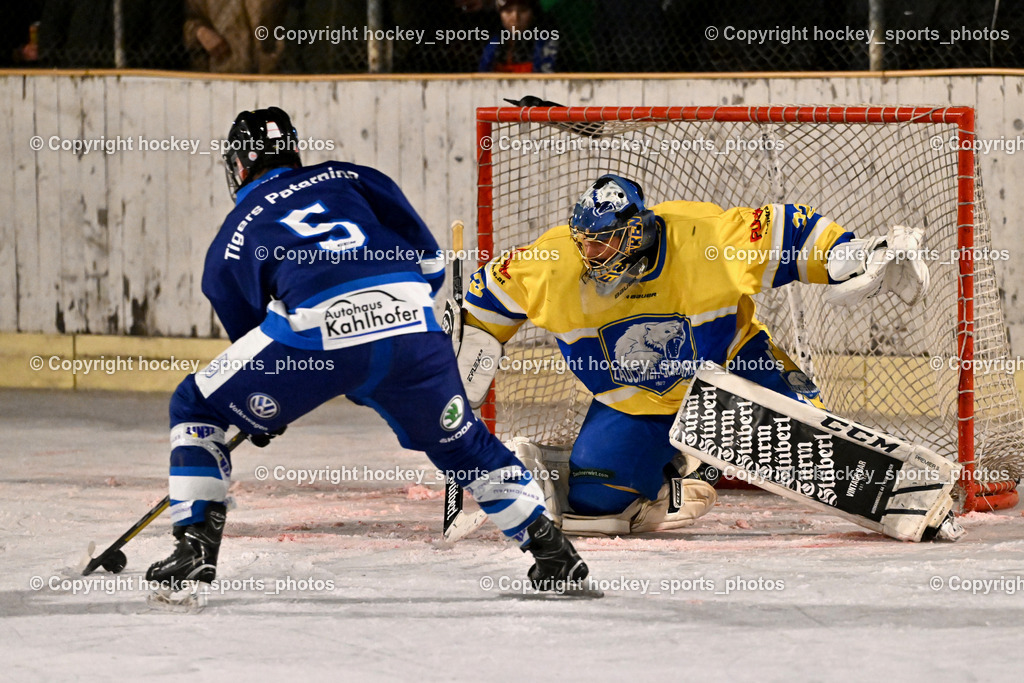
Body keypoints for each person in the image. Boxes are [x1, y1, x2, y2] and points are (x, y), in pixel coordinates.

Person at [146, 107, 588, 594]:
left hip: (322, 337)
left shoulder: (235, 231)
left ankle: (194, 547)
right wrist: (393, 316)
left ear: (239, 164)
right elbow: (430, 264)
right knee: (463, 444)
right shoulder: (352, 176)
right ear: (294, 149)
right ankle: (554, 554)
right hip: (412, 324)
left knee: (195, 405)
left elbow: (247, 335)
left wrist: (267, 412)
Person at [460, 174, 928, 534]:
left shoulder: (704, 239)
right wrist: (463, 357)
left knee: (815, 447)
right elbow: (486, 297)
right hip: (637, 403)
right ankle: (678, 470)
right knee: (596, 506)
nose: (592, 253)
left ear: (636, 231)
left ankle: (905, 494)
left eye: (605, 240)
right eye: (585, 241)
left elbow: (788, 230)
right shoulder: (555, 261)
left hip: (731, 375)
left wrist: (852, 254)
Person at [479, 0, 558, 73]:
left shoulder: (544, 42)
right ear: (499, 13)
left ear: (533, 13)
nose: (515, 18)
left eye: (523, 10)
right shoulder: (491, 41)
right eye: (508, 11)